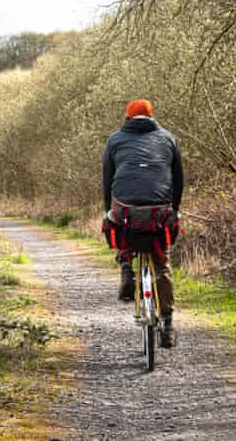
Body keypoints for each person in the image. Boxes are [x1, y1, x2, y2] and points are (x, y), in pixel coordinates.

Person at [102, 99, 183, 348]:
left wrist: (108, 209)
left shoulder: (115, 140)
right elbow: (178, 179)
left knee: (118, 225)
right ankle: (167, 325)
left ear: (128, 118)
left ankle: (126, 265)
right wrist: (175, 209)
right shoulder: (168, 139)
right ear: (152, 117)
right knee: (162, 264)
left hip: (126, 211)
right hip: (158, 213)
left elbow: (107, 180)